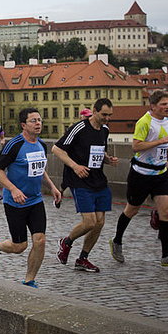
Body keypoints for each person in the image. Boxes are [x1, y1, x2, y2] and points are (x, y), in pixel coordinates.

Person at [0, 108, 61, 288]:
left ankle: (29, 280)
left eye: (39, 120)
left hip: (35, 200)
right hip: (15, 202)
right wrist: (13, 189)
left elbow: (40, 168)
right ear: (23, 125)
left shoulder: (41, 145)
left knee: (40, 240)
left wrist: (52, 186)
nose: (38, 124)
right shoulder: (15, 144)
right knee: (19, 246)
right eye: (33, 121)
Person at [111, 90, 168, 266]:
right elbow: (136, 146)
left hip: (160, 174)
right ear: (153, 106)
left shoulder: (167, 122)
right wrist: (161, 142)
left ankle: (166, 255)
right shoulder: (144, 122)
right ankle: (117, 241)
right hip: (141, 174)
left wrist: (167, 150)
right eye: (163, 104)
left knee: (166, 211)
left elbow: (159, 144)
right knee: (132, 210)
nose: (167, 107)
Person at [52, 98, 118, 273]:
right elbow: (56, 149)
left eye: (109, 115)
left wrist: (108, 159)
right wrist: (75, 166)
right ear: (94, 111)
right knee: (89, 222)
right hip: (80, 180)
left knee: (99, 223)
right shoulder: (79, 128)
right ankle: (66, 242)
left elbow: (99, 150)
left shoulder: (104, 130)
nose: (107, 118)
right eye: (104, 114)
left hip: (99, 180)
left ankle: (83, 258)